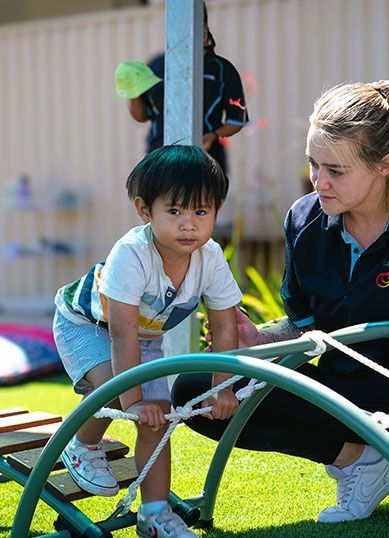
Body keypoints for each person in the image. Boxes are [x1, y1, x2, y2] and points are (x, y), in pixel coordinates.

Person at [171, 74, 389, 538]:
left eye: (336, 171)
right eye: (313, 164)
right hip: (343, 395)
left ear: (386, 165)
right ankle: (360, 462)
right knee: (195, 391)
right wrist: (259, 340)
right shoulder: (304, 221)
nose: (319, 182)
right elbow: (308, 328)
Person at [52, 145, 242, 538]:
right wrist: (132, 399)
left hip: (143, 336)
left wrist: (222, 389)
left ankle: (154, 514)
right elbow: (120, 332)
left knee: (159, 415)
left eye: (201, 212)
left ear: (216, 211)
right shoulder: (132, 254)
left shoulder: (211, 258)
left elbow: (225, 328)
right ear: (145, 210)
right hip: (86, 324)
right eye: (174, 212)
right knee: (113, 388)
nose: (188, 225)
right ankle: (82, 444)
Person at [119, 4, 249, 177]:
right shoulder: (157, 66)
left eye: (196, 28)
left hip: (206, 160)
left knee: (201, 203)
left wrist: (213, 135)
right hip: (160, 159)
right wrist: (131, 91)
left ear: (205, 29)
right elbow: (141, 116)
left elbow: (237, 120)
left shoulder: (222, 69)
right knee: (161, 203)